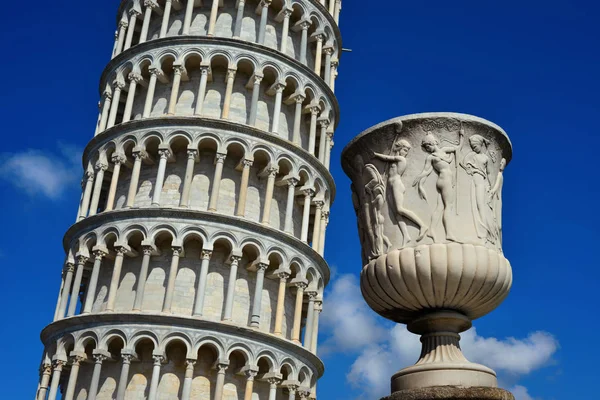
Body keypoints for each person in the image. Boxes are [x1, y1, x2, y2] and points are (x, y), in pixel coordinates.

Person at [373, 139, 428, 246]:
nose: (406, 152)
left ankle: (422, 225)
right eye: (404, 150)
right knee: (396, 214)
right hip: (390, 185)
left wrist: (375, 155)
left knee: (400, 209)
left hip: (397, 185)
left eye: (407, 150)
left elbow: (387, 158)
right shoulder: (396, 159)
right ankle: (406, 236)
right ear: (399, 148)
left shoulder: (401, 159)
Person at [413, 129, 464, 243]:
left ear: (433, 143)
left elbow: (458, 148)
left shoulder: (443, 151)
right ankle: (449, 234)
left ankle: (431, 230)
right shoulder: (431, 157)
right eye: (426, 148)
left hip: (444, 181)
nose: (427, 150)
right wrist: (420, 183)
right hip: (445, 181)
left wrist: (461, 136)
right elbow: (426, 172)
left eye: (428, 147)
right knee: (448, 207)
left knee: (440, 207)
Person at [461, 135, 499, 246]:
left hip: (481, 182)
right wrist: (469, 169)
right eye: (472, 146)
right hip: (474, 180)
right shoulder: (471, 155)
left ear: (481, 145)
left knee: (481, 205)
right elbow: (463, 163)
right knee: (475, 204)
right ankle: (481, 231)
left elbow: (489, 173)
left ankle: (486, 231)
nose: (473, 148)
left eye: (475, 146)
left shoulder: (485, 158)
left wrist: (491, 187)